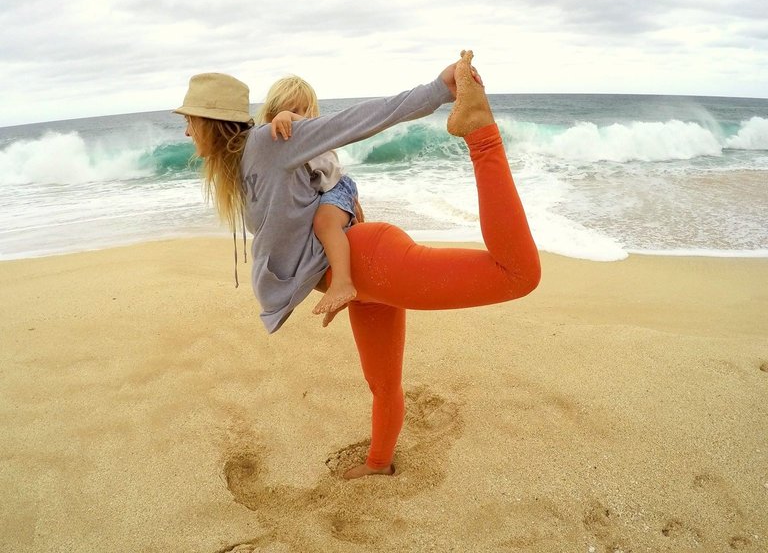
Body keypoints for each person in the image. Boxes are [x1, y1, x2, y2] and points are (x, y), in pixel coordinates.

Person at [174, 51, 540, 479]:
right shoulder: (242, 164)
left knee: (518, 274)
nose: (184, 131)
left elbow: (356, 120)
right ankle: (379, 464)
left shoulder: (269, 142)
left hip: (371, 261)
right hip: (360, 285)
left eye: (189, 121)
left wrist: (439, 90)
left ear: (210, 122)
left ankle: (481, 132)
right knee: (383, 384)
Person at [257, 75, 362, 317]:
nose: (298, 117)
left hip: (337, 187)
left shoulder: (315, 134)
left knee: (324, 223)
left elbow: (305, 126)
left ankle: (342, 282)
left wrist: (289, 116)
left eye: (304, 111)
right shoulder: (277, 144)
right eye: (289, 110)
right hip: (320, 192)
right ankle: (337, 289)